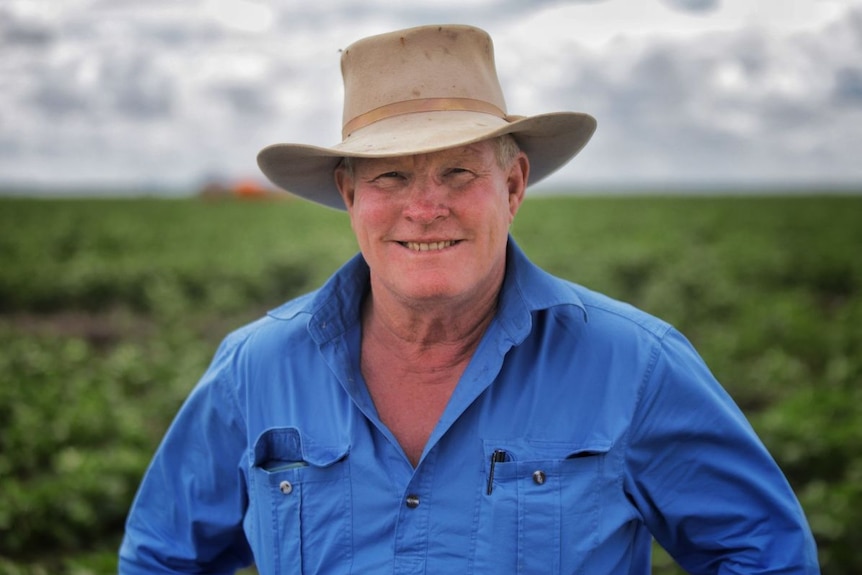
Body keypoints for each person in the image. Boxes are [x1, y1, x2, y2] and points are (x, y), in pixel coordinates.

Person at [119, 24, 820, 574]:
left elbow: (765, 552)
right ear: (349, 194)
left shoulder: (635, 363)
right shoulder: (256, 367)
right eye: (391, 176)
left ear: (514, 186)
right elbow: (162, 557)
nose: (425, 209)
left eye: (458, 172)